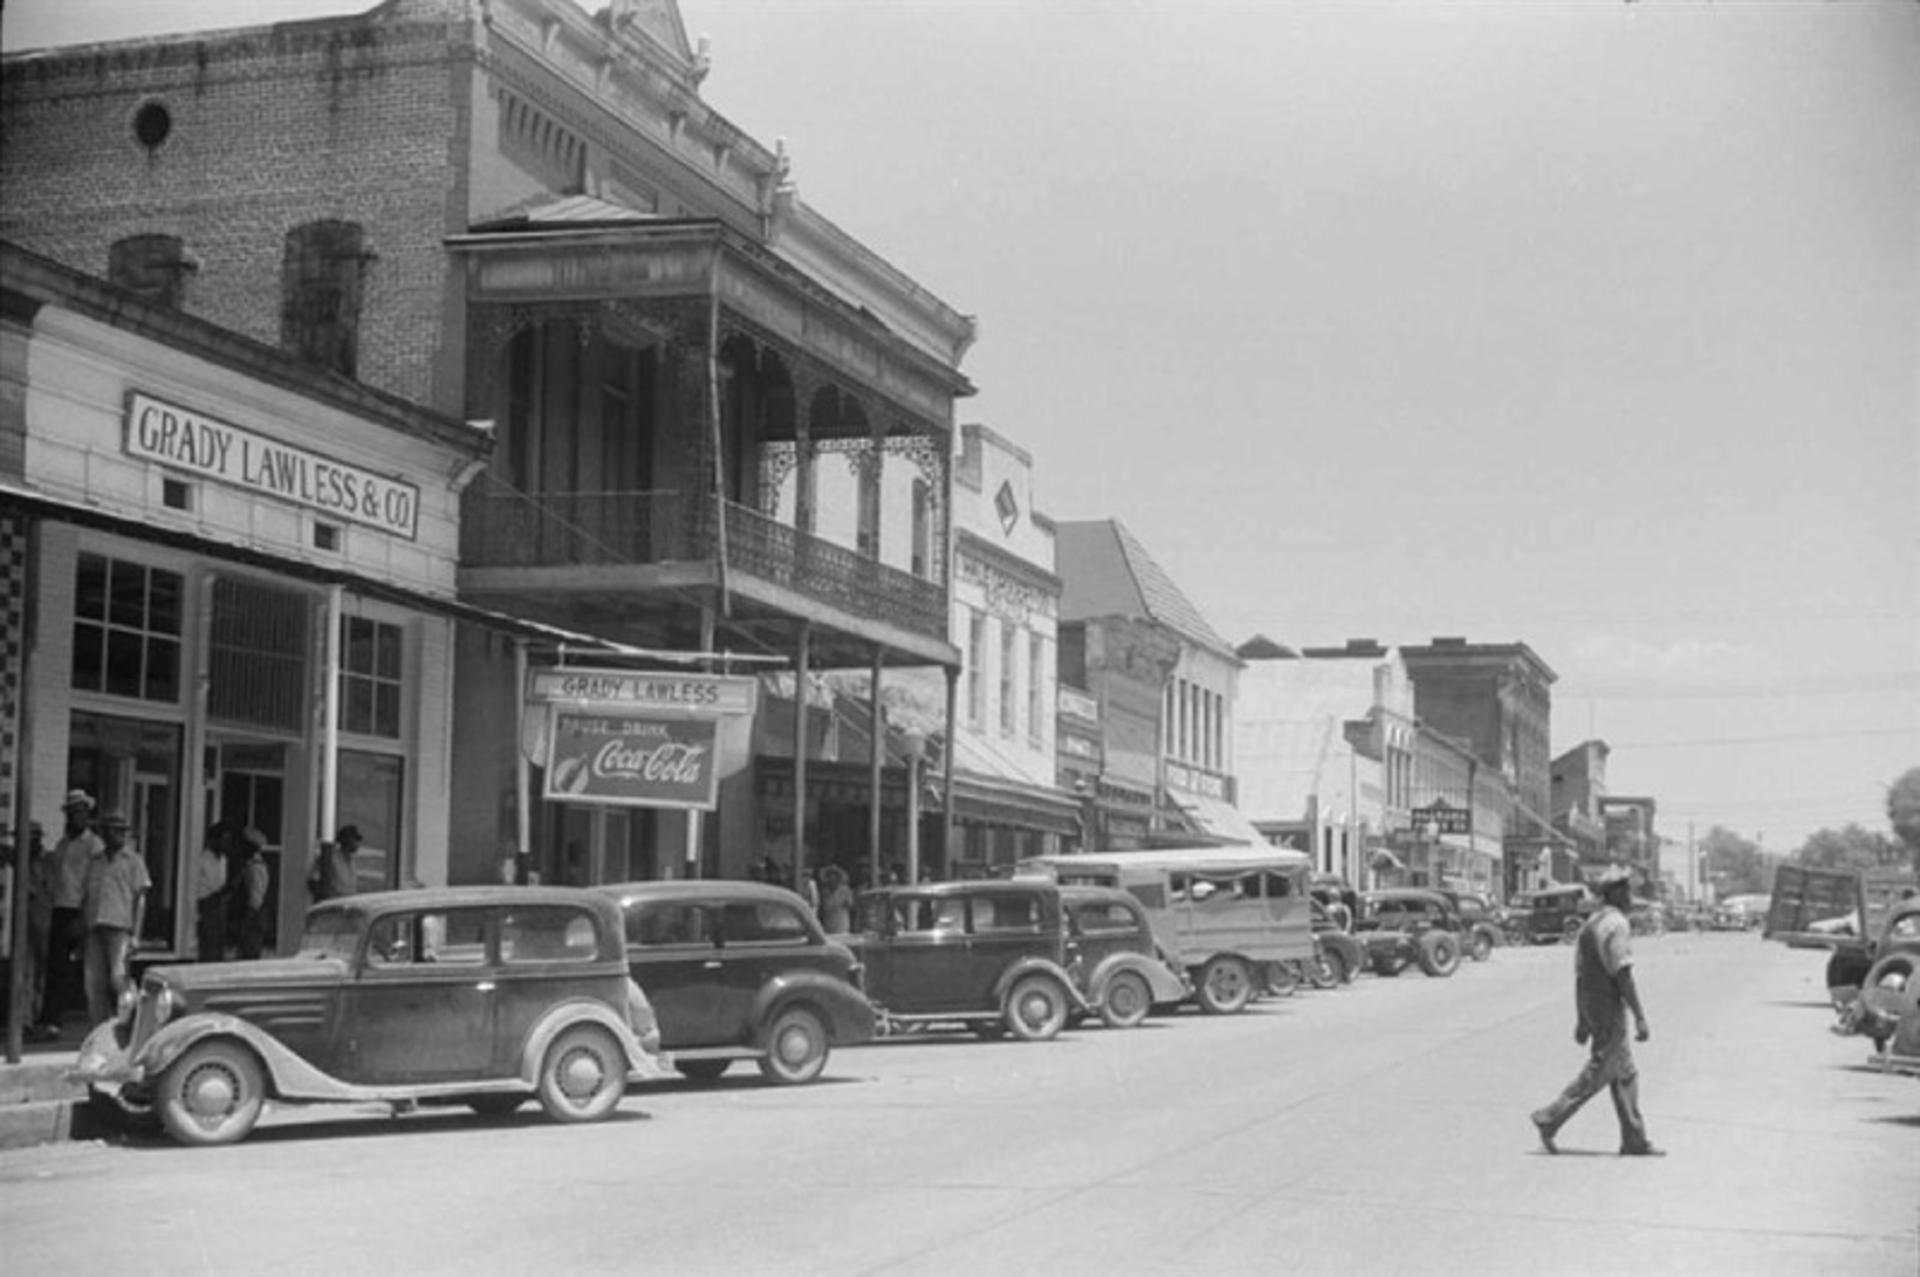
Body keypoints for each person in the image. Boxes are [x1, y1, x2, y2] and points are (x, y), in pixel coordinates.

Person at [1531, 864, 1664, 1157]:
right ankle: (1549, 1118)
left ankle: (1634, 1139)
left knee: (1624, 1072)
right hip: (1608, 1006)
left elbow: (1580, 975)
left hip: (1593, 1003)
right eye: (1626, 890)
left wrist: (1582, 1017)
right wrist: (1640, 1016)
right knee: (1600, 1070)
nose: (1630, 895)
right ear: (1615, 892)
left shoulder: (1591, 923)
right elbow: (1622, 974)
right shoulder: (1616, 924)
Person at [80, 809, 150, 1027]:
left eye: (120, 831)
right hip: (94, 926)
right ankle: (99, 1028)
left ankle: (132, 1020)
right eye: (111, 831)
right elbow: (86, 895)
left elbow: (140, 899)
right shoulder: (95, 861)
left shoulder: (133, 861)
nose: (116, 835)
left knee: (118, 978)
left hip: (119, 927)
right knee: (93, 983)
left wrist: (136, 935)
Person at [42, 790, 103, 1036]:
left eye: (80, 812)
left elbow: (94, 883)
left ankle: (98, 1021)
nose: (75, 817)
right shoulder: (62, 844)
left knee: (91, 969)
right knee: (56, 966)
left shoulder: (93, 845)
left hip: (81, 910)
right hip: (60, 908)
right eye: (71, 813)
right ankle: (51, 1020)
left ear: (87, 815)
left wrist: (84, 916)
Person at [195, 822, 235, 961]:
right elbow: (210, 885)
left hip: (219, 907)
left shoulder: (223, 860)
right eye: (223, 840)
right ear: (214, 840)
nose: (226, 844)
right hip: (207, 905)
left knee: (219, 947)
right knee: (208, 948)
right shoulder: (203, 858)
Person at [232, 827, 271, 959]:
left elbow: (256, 897)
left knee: (249, 952)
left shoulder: (255, 866)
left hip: (253, 916)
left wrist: (247, 921)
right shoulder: (249, 864)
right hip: (252, 915)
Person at [307, 824, 361, 904]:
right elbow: (313, 882)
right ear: (346, 840)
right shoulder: (331, 857)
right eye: (355, 839)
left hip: (348, 905)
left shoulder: (352, 861)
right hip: (333, 905)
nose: (358, 843)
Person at [818, 864, 854, 935]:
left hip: (841, 923)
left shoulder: (845, 890)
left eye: (834, 876)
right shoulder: (825, 892)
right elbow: (824, 908)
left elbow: (850, 905)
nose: (832, 878)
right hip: (828, 923)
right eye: (830, 876)